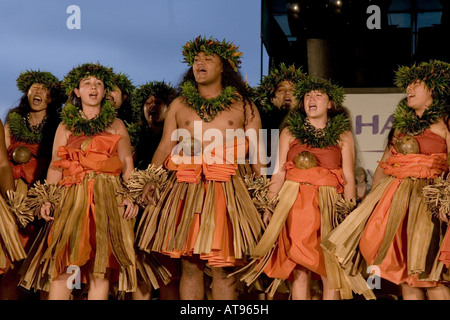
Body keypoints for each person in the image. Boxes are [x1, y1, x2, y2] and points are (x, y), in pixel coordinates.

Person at [136, 35, 265, 300]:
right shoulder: (179, 104)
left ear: (224, 67)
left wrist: (265, 198)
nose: (200, 63)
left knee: (223, 267)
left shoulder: (244, 106)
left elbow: (257, 157)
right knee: (190, 266)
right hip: (185, 189)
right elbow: (164, 147)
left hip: (228, 191)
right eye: (196, 60)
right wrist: (151, 179)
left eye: (208, 59)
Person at [322, 60, 450, 300]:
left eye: (415, 83)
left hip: (431, 202)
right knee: (406, 278)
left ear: (432, 87)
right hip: (397, 203)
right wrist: (371, 203)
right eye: (407, 85)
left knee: (431, 276)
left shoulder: (445, 121)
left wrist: (447, 199)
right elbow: (385, 164)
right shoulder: (402, 126)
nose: (409, 89)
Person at [18, 62, 139, 300]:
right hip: (73, 197)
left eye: (99, 84)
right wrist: (48, 199)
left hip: (108, 197)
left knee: (100, 265)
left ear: (105, 92)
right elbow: (56, 164)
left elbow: (126, 163)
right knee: (64, 261)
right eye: (87, 83)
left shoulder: (116, 124)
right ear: (77, 91)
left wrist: (131, 195)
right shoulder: (65, 126)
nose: (93, 87)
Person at [240, 76, 358, 300]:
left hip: (328, 204)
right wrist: (270, 206)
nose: (311, 99)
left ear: (330, 104)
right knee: (299, 268)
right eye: (307, 96)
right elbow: (279, 172)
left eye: (318, 95)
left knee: (329, 266)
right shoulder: (289, 133)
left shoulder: (343, 135)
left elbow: (349, 176)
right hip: (294, 204)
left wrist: (348, 213)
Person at [0, 70, 65, 300]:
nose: (37, 92)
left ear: (52, 97)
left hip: (43, 192)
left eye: (44, 89)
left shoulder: (59, 124)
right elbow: (3, 160)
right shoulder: (12, 120)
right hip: (14, 192)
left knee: (44, 260)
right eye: (34, 87)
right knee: (11, 260)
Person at [133, 81, 177, 170]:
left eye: (158, 103)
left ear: (169, 107)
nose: (152, 105)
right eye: (148, 103)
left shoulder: (175, 136)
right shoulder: (135, 136)